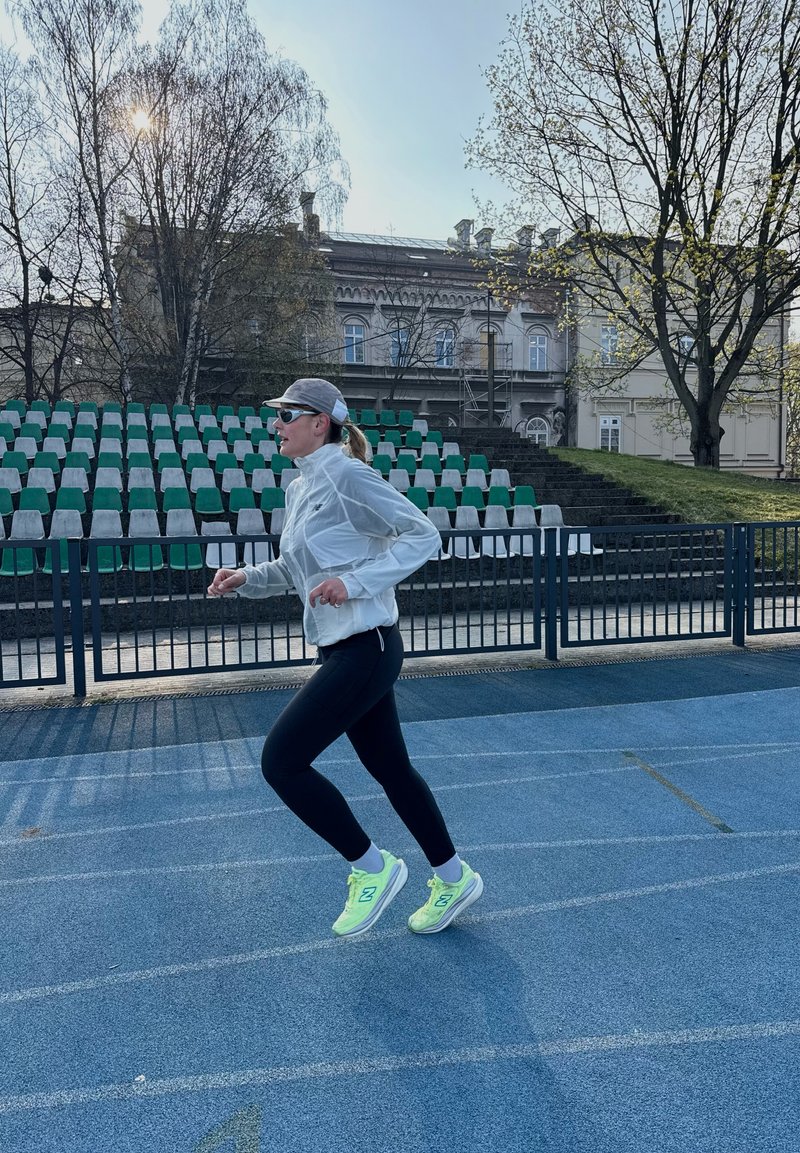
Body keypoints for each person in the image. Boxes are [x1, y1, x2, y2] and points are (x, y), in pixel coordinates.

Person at [209, 378, 483, 939]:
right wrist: (245, 579)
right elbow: (295, 570)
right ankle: (455, 879)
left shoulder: (349, 476)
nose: (276, 425)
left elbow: (422, 535)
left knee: (281, 762)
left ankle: (372, 868)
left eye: (286, 415)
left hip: (367, 646)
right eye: (277, 415)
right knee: (391, 770)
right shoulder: (300, 487)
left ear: (320, 423)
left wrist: (354, 583)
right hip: (345, 648)